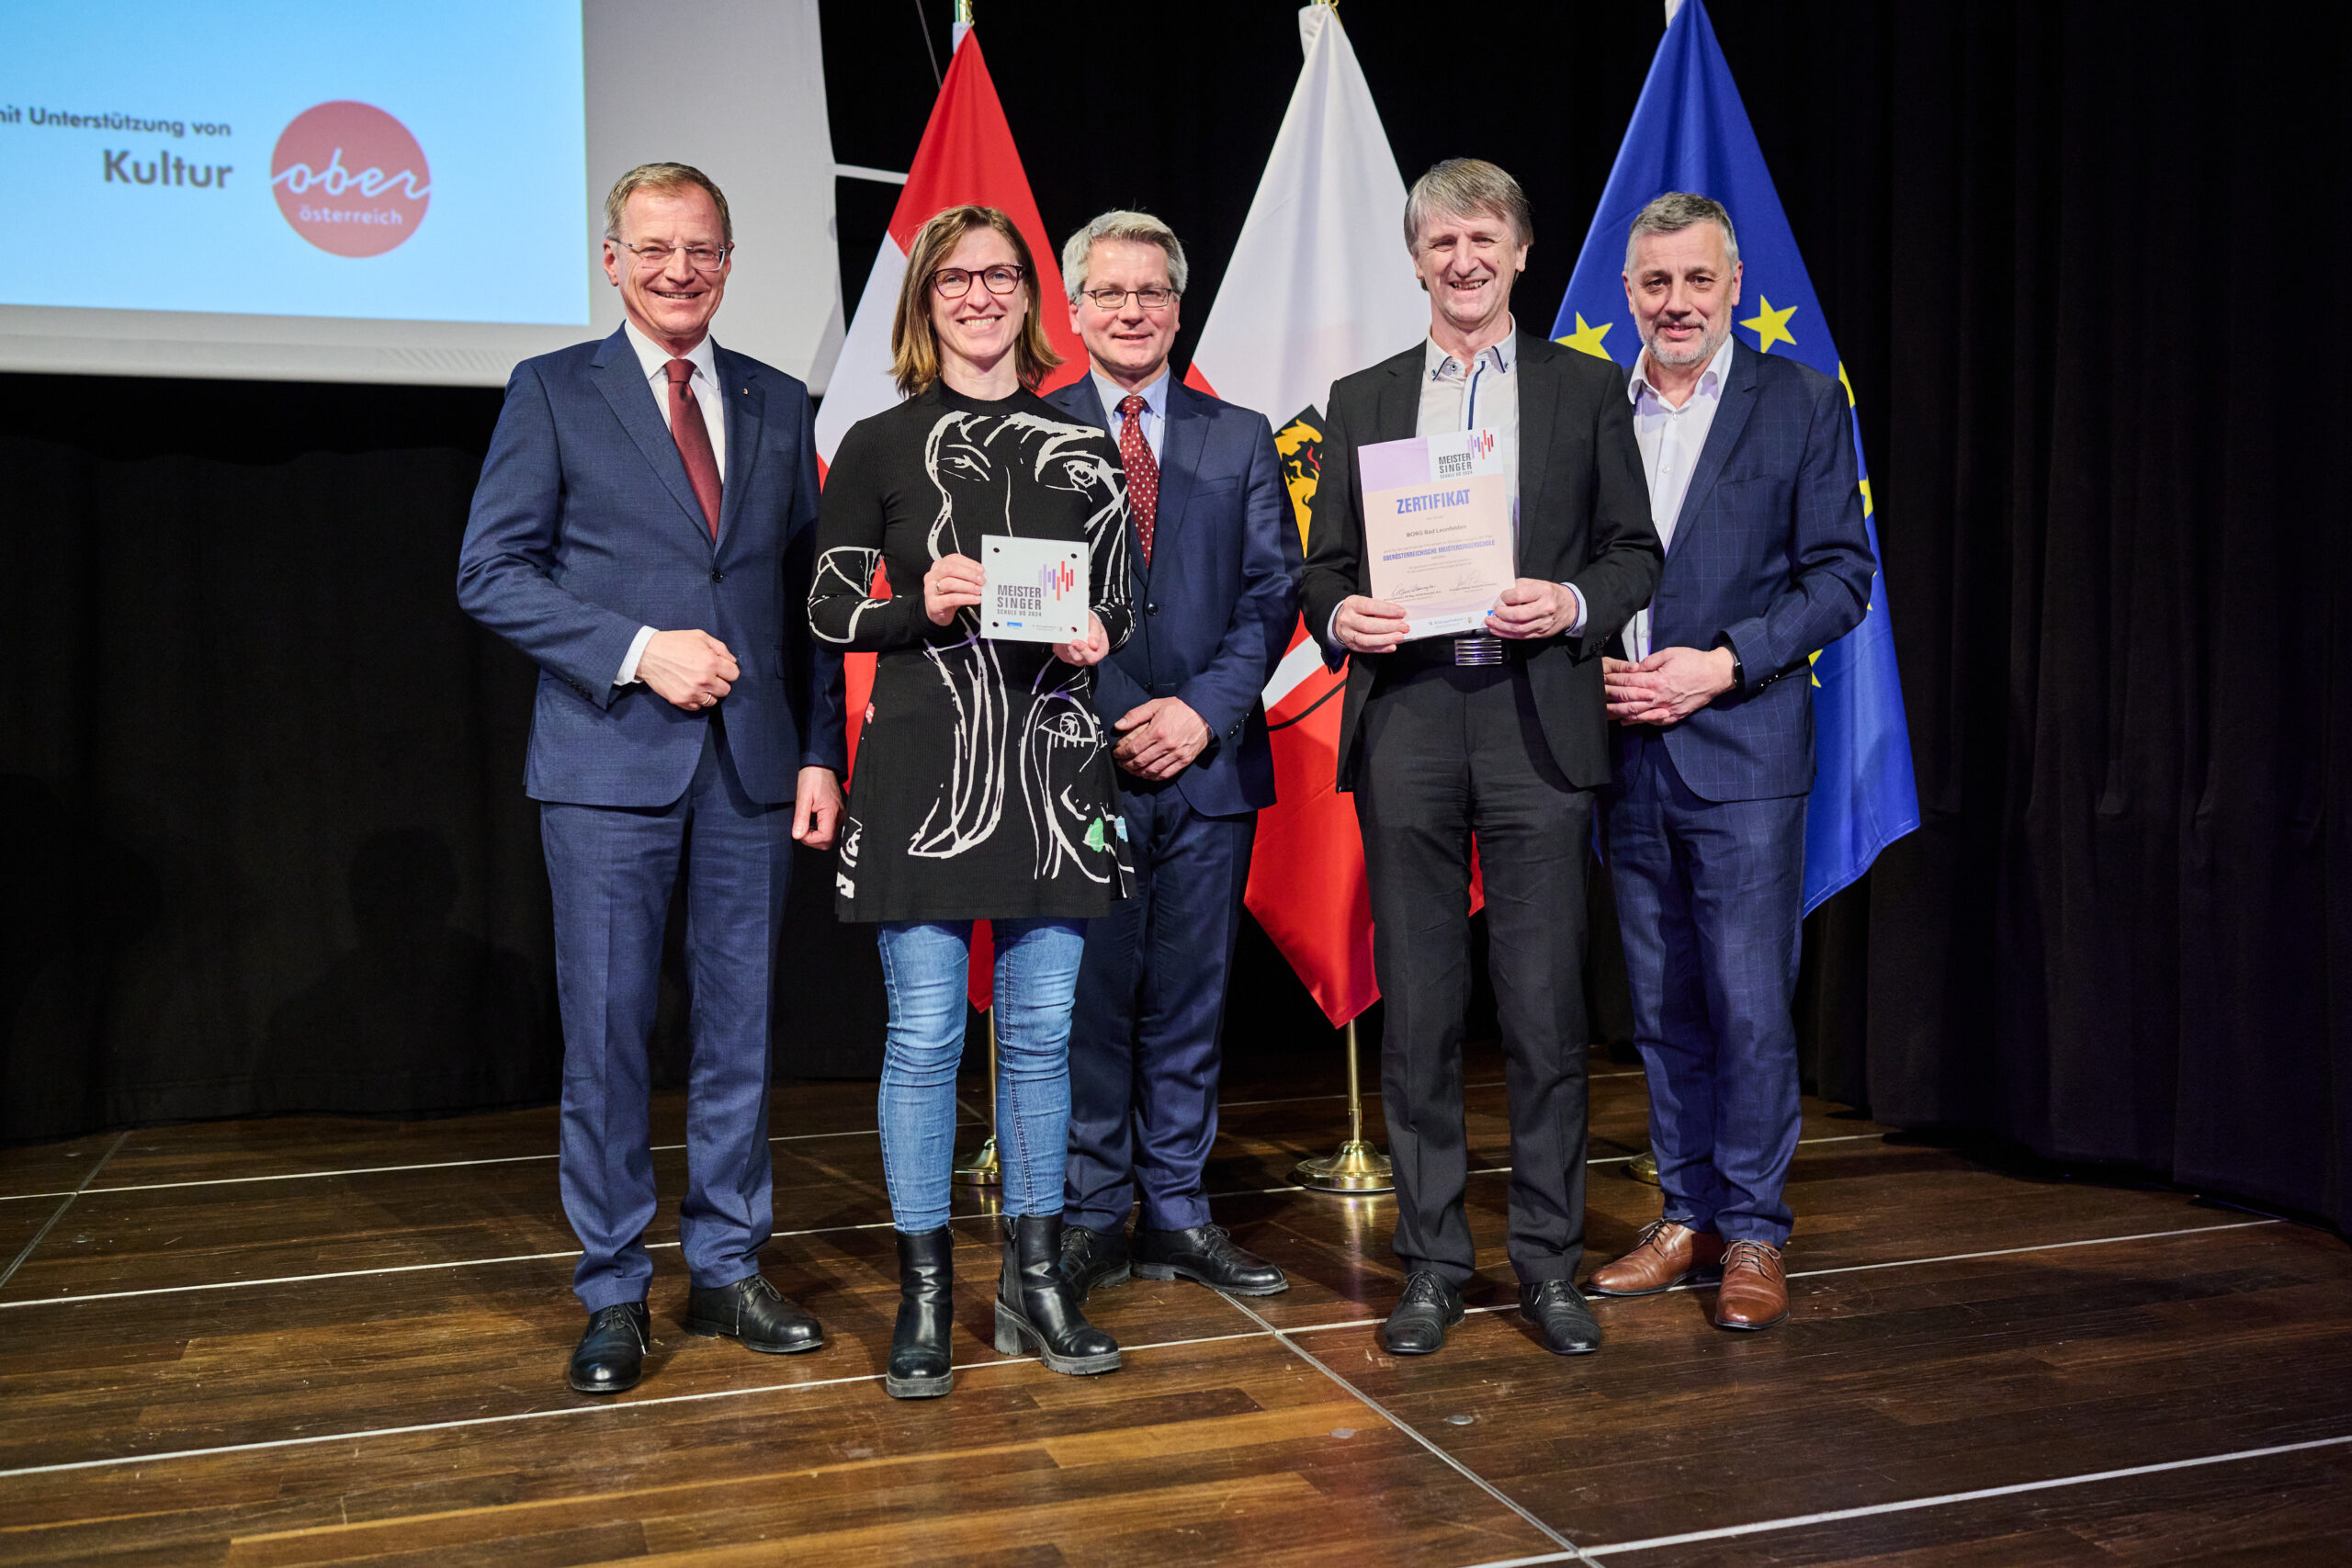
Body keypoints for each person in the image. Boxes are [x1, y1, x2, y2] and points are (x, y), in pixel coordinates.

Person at [458, 163, 846, 1395]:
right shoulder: (552, 390)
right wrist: (637, 649)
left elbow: (809, 602)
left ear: (728, 263)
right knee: (610, 1035)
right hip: (606, 763)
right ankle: (615, 1289)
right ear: (611, 260)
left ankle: (727, 1268)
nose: (680, 270)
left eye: (703, 249)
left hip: (753, 769)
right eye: (655, 247)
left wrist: (821, 749)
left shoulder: (777, 398)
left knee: (740, 1034)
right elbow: (491, 571)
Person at [1300, 160, 1661, 1358]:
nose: (1464, 259)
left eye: (1484, 237)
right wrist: (1340, 614)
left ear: (1520, 252)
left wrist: (1569, 601)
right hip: (1407, 717)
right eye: (1442, 241)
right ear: (1416, 260)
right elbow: (1324, 567)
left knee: (1546, 1010)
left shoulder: (1584, 387)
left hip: (1533, 716)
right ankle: (1433, 1264)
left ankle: (1548, 1263)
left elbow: (1632, 552)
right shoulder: (1361, 397)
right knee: (1420, 1012)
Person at [808, 205, 1136, 1399]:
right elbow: (828, 608)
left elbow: (1121, 601)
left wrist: (1100, 633)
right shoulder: (875, 443)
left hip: (1052, 773)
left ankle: (1036, 1283)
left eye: (1000, 275)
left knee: (1042, 1037)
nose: (980, 294)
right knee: (926, 1038)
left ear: (1028, 297)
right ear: (924, 300)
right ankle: (926, 1295)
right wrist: (920, 604)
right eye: (955, 277)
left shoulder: (1084, 441)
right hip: (920, 775)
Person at [1586, 192, 1874, 1330]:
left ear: (1734, 287)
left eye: (1697, 280)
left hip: (1742, 750)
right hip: (1621, 753)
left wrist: (1720, 664)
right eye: (1656, 282)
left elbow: (1839, 578)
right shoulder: (1589, 408)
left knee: (1748, 1005)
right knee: (1660, 1007)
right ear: (1627, 292)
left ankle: (1753, 1230)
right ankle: (1686, 1214)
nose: (1677, 302)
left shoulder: (1798, 402)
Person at [1042, 212, 1301, 1303]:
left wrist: (1197, 714)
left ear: (1178, 308)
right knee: (1091, 1005)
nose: (1131, 311)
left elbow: (1273, 594)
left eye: (1150, 292)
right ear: (1074, 309)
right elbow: (1028, 599)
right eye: (1108, 293)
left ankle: (1180, 1213)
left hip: (1209, 764)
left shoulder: (1239, 435)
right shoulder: (1030, 429)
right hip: (1079, 764)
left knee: (1191, 1003)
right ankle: (1094, 1214)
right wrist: (1120, 712)